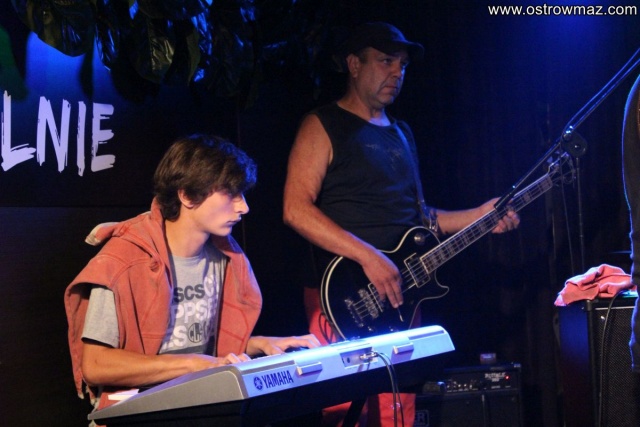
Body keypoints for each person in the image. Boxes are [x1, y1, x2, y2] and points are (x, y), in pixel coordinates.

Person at [283, 22, 520, 426]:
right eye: (386, 61)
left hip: (400, 294)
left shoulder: (402, 133)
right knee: (346, 410)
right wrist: (368, 257)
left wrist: (481, 215)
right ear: (354, 64)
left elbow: (421, 221)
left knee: (397, 411)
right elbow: (295, 209)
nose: (397, 73)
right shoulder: (322, 124)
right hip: (343, 296)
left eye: (403, 65)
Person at [65, 134, 320, 423]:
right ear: (186, 195)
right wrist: (193, 365)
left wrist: (261, 344)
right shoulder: (124, 260)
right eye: (230, 194)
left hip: (199, 405)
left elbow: (199, 348)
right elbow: (95, 365)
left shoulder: (224, 257)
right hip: (138, 411)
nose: (244, 207)